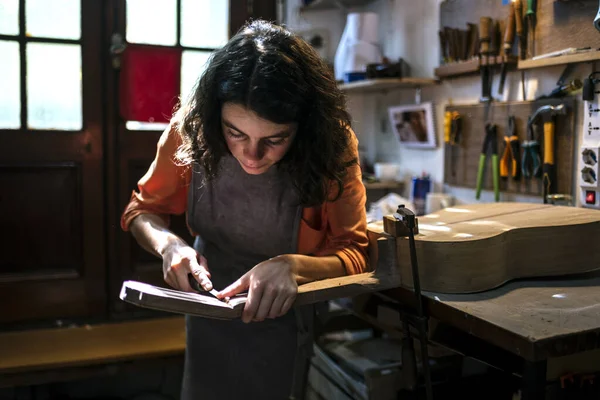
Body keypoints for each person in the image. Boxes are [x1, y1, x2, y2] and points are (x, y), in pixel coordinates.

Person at [120, 19, 369, 400]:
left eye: (274, 139)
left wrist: (293, 266)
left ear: (304, 128)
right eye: (235, 133)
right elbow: (141, 212)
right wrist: (169, 246)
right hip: (208, 315)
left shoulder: (332, 145)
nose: (251, 155)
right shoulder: (191, 130)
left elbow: (355, 254)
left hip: (288, 317)